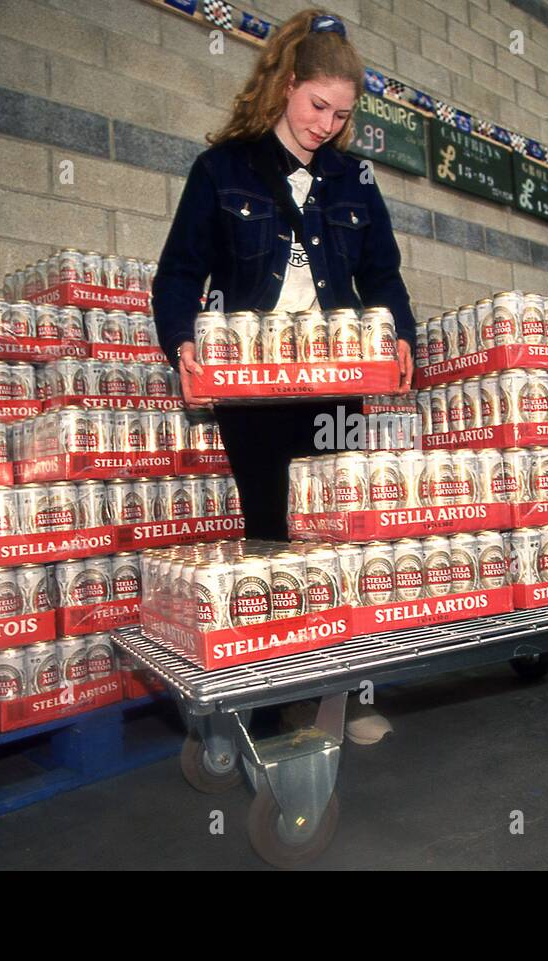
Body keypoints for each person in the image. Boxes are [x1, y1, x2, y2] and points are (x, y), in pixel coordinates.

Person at [152, 10, 417, 741]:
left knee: (336, 535)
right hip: (253, 390)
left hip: (336, 385)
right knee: (268, 533)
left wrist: (400, 336)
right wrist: (182, 344)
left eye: (343, 114)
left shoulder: (354, 180)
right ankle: (272, 700)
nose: (327, 125)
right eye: (316, 106)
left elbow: (384, 277)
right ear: (286, 84)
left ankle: (341, 693)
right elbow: (178, 273)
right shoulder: (223, 169)